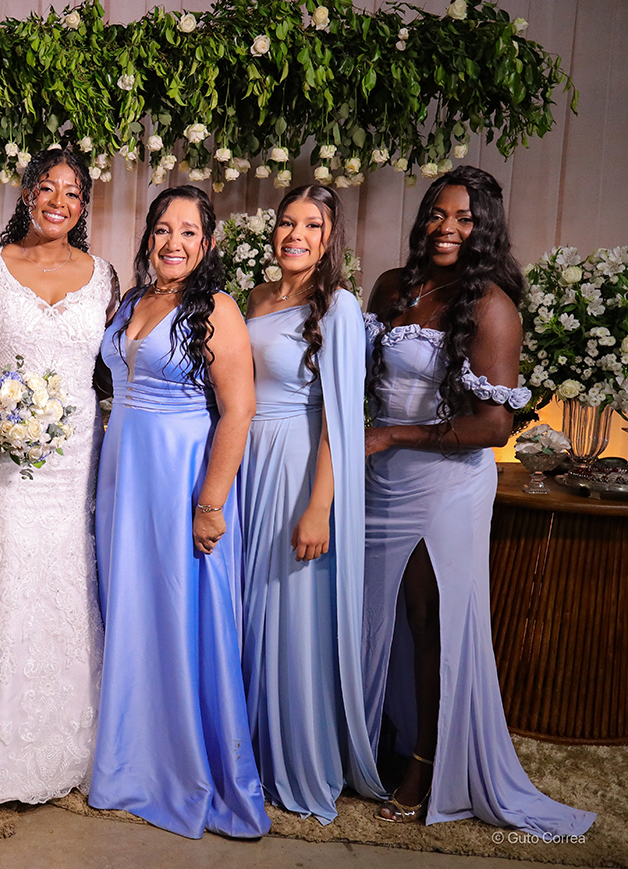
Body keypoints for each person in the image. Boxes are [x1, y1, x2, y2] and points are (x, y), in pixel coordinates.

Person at [361, 166, 595, 835]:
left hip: (446, 484)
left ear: (483, 228)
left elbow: (494, 428)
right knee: (380, 615)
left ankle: (428, 764)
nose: (446, 228)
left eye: (463, 218)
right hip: (380, 475)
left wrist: (392, 434)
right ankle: (381, 737)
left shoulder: (492, 306)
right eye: (437, 213)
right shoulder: (391, 286)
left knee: (431, 620)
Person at [0, 150, 117, 805]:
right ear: (27, 194)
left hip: (75, 459)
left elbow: (115, 365)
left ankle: (68, 736)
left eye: (72, 192)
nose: (58, 200)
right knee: (5, 567)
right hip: (3, 450)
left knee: (67, 573)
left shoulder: (105, 277)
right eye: (47, 187)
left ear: (83, 205)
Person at [89, 185, 269, 839]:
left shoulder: (216, 309)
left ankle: (180, 765)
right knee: (130, 607)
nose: (173, 242)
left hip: (181, 478)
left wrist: (210, 504)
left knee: (176, 612)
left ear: (208, 244)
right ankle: (129, 754)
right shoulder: (134, 300)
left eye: (188, 232)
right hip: (123, 475)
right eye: (163, 229)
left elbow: (239, 411)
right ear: (148, 237)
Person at [238, 185, 383, 823]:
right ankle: (244, 750)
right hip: (247, 463)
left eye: (311, 226)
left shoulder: (339, 306)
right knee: (247, 609)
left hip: (298, 464)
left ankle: (294, 759)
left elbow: (339, 418)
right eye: (287, 222)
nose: (295, 235)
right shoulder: (255, 299)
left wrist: (319, 506)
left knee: (289, 611)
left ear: (329, 240)